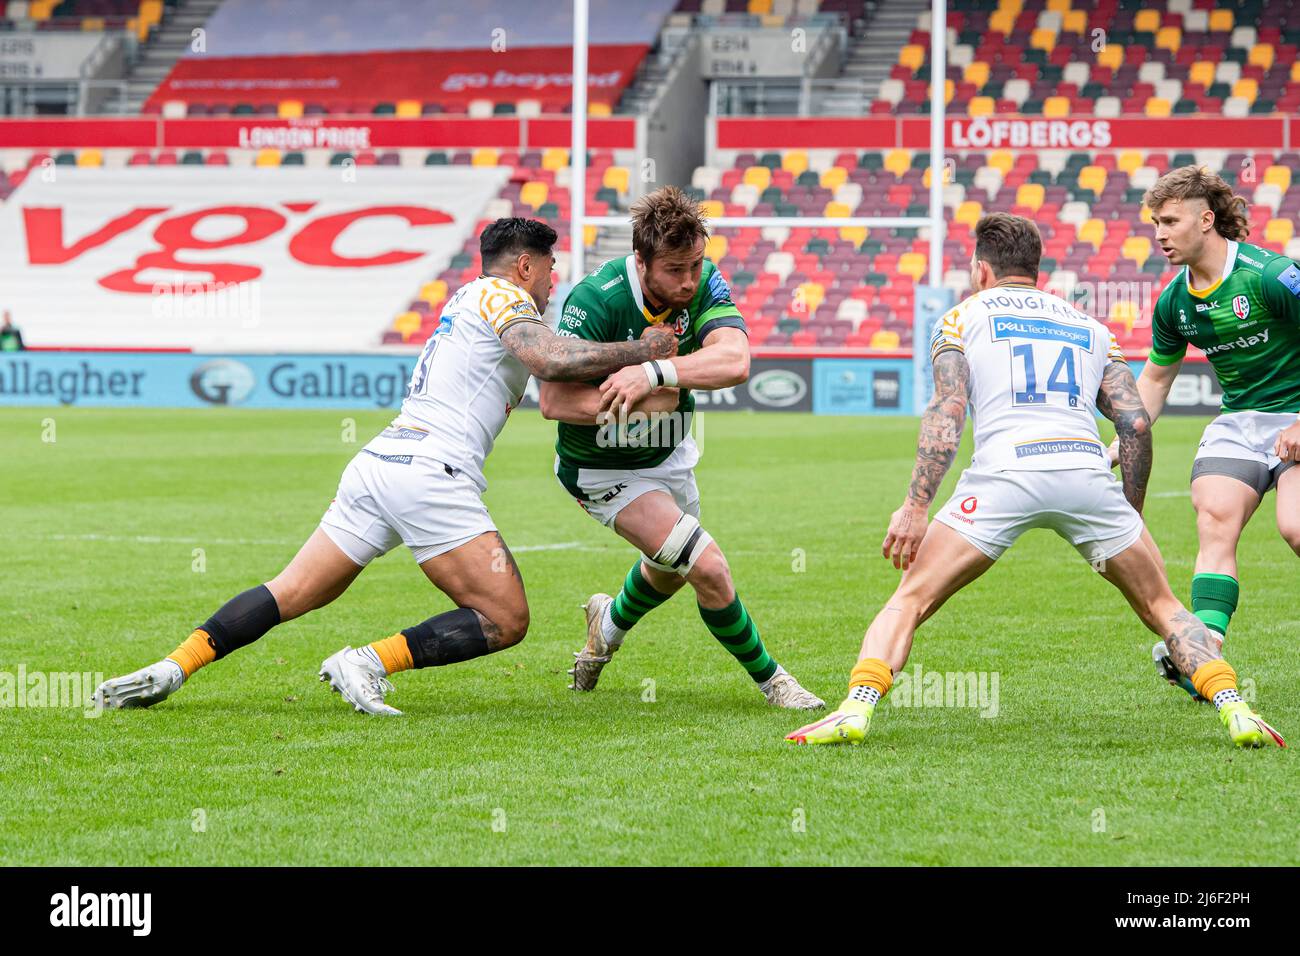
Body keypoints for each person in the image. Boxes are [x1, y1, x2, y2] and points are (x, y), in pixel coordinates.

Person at [93, 218, 678, 715]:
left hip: (382, 461)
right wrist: (645, 351)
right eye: (550, 269)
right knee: (505, 618)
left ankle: (174, 667)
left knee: (291, 590)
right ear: (525, 266)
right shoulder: (504, 296)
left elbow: (561, 372)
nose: (554, 284)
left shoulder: (467, 302)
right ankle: (366, 662)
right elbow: (550, 359)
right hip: (430, 471)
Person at [787, 213, 1284, 749]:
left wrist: (914, 506)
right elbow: (1135, 422)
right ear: (1037, 269)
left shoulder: (960, 318)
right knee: (1162, 606)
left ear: (982, 269)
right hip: (1083, 472)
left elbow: (947, 411)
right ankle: (1236, 708)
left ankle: (855, 709)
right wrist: (1129, 513)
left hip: (1004, 476)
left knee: (910, 599)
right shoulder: (1089, 327)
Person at [539, 186, 822, 709]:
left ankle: (608, 622)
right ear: (642, 262)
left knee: (668, 573)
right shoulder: (595, 300)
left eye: (696, 264)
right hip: (602, 470)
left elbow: (735, 360)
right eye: (675, 269)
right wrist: (641, 403)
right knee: (708, 568)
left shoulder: (704, 281)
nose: (689, 280)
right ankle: (775, 682)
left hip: (670, 457)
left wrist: (652, 372)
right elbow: (554, 401)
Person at [1110, 166, 1300, 700]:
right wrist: (1122, 441)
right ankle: (1203, 655)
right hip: (1240, 421)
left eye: (1170, 221)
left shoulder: (1271, 275)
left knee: (1296, 528)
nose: (1160, 234)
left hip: (1298, 413)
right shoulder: (1174, 302)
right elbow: (1155, 378)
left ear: (1207, 219)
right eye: (1155, 223)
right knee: (1214, 518)